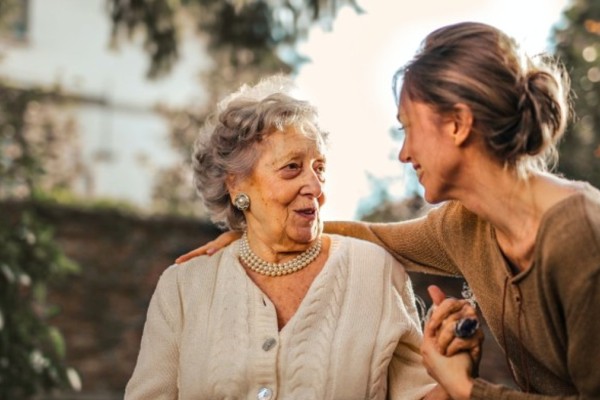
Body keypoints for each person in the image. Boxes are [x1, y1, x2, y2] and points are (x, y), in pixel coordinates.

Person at [176, 22, 600, 399]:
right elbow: (375, 237)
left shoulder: (580, 236)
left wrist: (465, 388)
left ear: (457, 124)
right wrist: (261, 229)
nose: (403, 152)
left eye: (409, 128)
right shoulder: (466, 226)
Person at [125, 76, 450, 399]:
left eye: (319, 168)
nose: (316, 187)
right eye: (292, 168)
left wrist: (456, 374)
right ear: (236, 185)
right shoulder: (183, 288)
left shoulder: (375, 272)